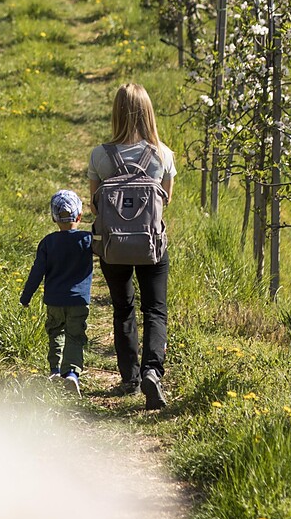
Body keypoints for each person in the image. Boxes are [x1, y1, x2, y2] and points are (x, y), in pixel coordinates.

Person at [89, 83, 175, 408]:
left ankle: (129, 376)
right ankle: (153, 371)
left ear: (116, 112)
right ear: (149, 112)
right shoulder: (162, 154)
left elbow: (96, 205)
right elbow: (165, 201)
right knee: (155, 309)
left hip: (114, 246)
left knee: (123, 307)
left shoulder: (100, 155)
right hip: (152, 245)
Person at [21, 190, 95, 392]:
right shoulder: (87, 240)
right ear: (79, 216)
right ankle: (71, 372)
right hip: (78, 300)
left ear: (54, 218)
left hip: (54, 300)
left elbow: (37, 272)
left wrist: (26, 296)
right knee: (75, 335)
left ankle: (54, 369)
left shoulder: (48, 242)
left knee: (55, 332)